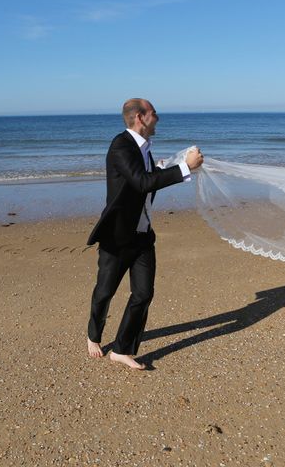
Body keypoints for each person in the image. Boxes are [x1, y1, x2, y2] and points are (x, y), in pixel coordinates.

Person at [86, 98, 204, 369]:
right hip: (116, 237)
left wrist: (161, 169)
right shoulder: (121, 145)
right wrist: (185, 167)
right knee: (105, 291)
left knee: (143, 293)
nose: (158, 118)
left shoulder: (144, 149)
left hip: (142, 234)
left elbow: (145, 180)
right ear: (140, 117)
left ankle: (121, 349)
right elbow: (140, 183)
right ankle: (93, 335)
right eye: (154, 113)